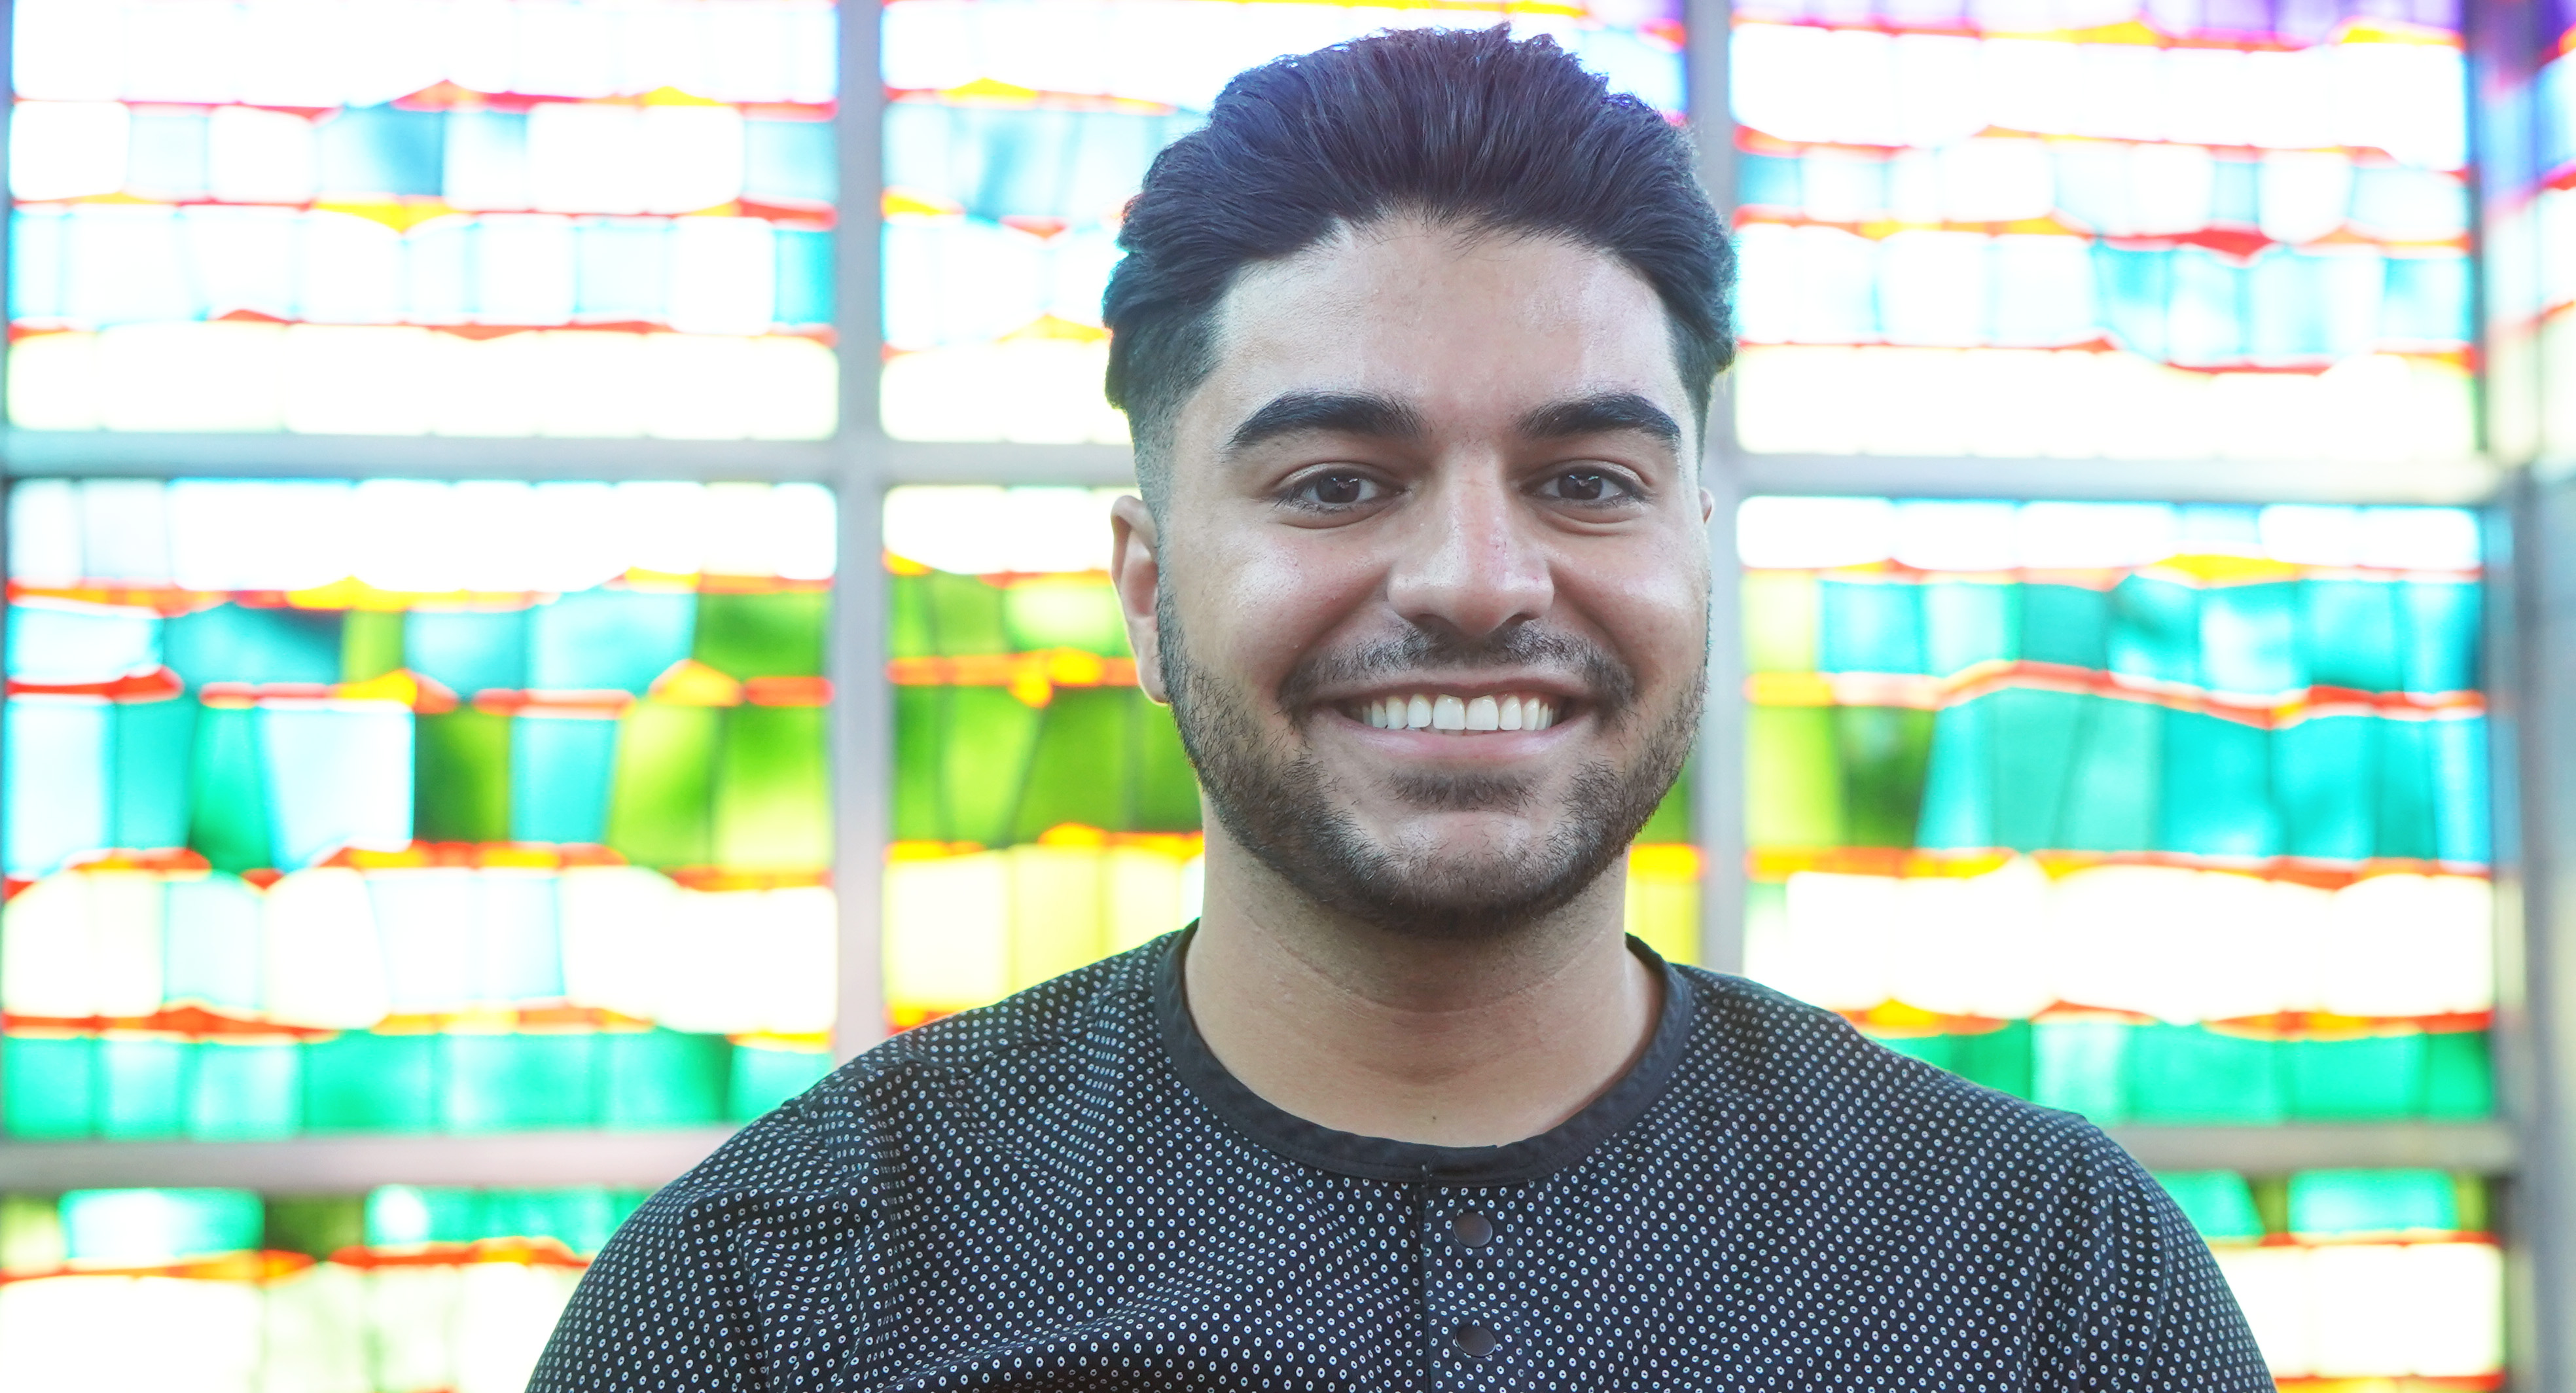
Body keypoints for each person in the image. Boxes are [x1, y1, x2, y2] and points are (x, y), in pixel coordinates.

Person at [532, 27, 2270, 1389]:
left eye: (1587, 480)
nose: (1477, 581)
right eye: (1337, 484)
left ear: (1701, 554)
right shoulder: (772, 1299)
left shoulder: (2049, 1281)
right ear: (1146, 591)